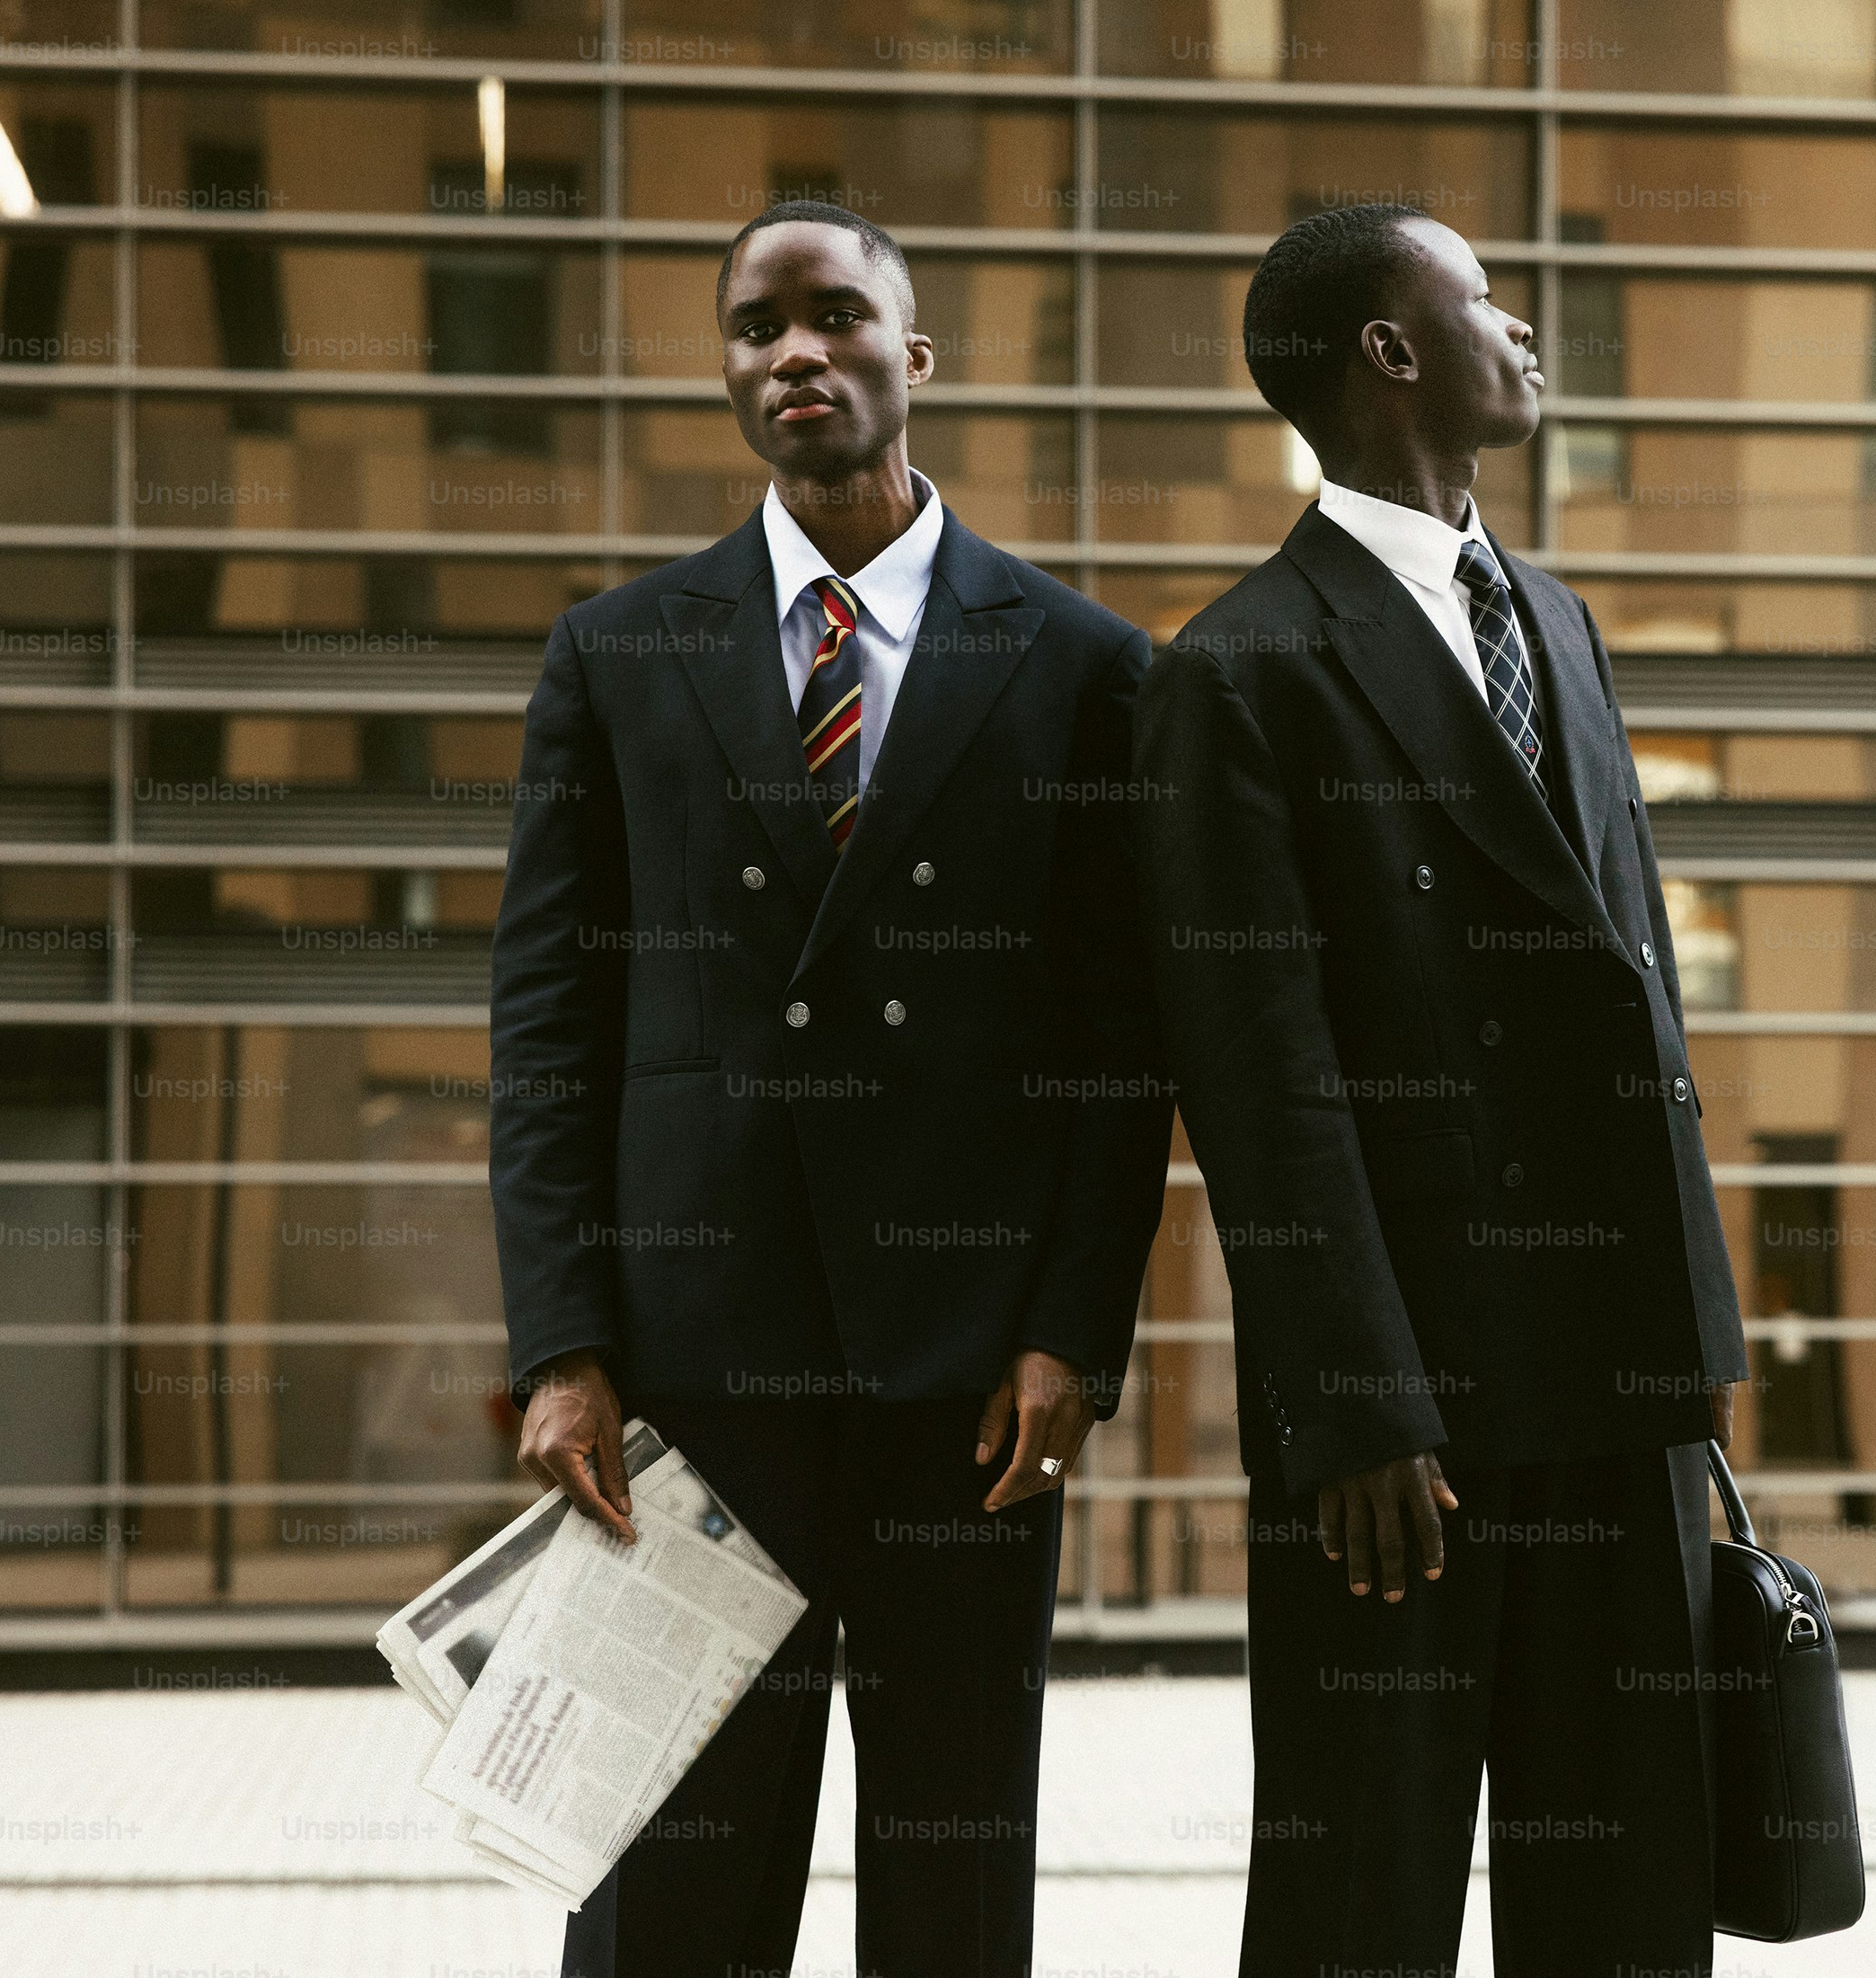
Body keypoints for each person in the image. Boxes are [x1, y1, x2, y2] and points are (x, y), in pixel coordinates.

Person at [490, 200, 1171, 1978]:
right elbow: (550, 1022)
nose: (795, 350)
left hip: (967, 1395)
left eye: (837, 317)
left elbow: (1121, 1042)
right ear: (731, 374)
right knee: (673, 1898)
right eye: (755, 327)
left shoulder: (1088, 670)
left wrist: (1070, 1340)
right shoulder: (619, 654)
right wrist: (561, 1343)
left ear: (911, 356)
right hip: (692, 1383)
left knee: (952, 1885)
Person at [1133, 202, 1749, 1978]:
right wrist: (1354, 1405)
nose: (1525, 327)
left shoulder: (1555, 621)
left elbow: (1640, 1017)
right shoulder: (1237, 669)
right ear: (1391, 355)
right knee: (1358, 1903)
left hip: (1616, 1382)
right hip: (1402, 1426)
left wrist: (1693, 1343)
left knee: (1630, 1895)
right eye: (1483, 298)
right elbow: (1259, 1076)